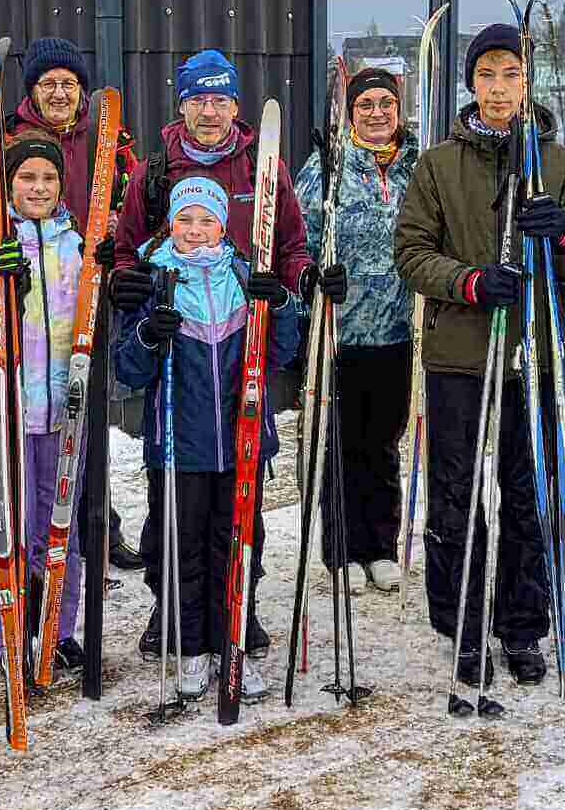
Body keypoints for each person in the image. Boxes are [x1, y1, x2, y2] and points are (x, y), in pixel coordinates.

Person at [392, 24, 565, 690]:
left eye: (511, 74)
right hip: (459, 355)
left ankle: (522, 625)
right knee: (456, 497)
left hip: (534, 356)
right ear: (471, 84)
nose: (500, 88)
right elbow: (411, 253)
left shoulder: (557, 164)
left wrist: (561, 236)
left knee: (528, 493)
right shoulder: (437, 165)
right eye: (487, 75)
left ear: (527, 82)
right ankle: (461, 624)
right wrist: (470, 281)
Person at [108, 48, 329, 660]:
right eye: (198, 99)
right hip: (177, 362)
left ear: (235, 104)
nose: (209, 111)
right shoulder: (155, 171)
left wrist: (297, 286)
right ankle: (172, 610)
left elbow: (290, 246)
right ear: (182, 104)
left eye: (220, 99)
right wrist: (130, 289)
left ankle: (239, 608)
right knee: (174, 513)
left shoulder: (263, 167)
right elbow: (128, 250)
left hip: (241, 349)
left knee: (238, 513)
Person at [111, 177, 304, 698]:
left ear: (223, 226)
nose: (195, 230)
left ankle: (230, 644)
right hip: (179, 445)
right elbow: (127, 368)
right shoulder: (152, 280)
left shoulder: (243, 275)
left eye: (206, 220)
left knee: (237, 547)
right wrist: (148, 335)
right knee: (184, 550)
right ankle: (192, 647)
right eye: (185, 219)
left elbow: (281, 352)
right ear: (170, 224)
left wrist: (280, 304)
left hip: (241, 441)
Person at [0, 35, 144, 578]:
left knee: (82, 423)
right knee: (34, 456)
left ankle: (98, 529)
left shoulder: (108, 140)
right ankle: (27, 565)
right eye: (49, 83)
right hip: (26, 302)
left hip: (83, 293)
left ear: (81, 89)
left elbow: (132, 202)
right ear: (33, 90)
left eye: (68, 83)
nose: (60, 93)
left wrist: (116, 242)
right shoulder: (7, 139)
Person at [293, 66, 420, 593]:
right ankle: (342, 549)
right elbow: (298, 237)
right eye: (365, 104)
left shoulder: (416, 165)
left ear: (399, 110)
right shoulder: (328, 166)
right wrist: (313, 280)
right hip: (339, 332)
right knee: (341, 445)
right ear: (350, 113)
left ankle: (380, 547)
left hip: (396, 332)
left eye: (385, 104)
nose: (376, 113)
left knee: (383, 444)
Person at [0, 135, 90, 677]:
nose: (39, 188)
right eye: (27, 178)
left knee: (61, 528)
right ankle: (9, 640)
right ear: (8, 184)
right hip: (8, 415)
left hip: (65, 413)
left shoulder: (77, 244)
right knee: (7, 531)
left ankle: (58, 631)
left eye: (48, 178)